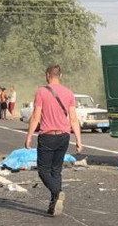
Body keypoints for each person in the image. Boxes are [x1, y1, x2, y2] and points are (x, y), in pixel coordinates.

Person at [25, 64, 82, 216]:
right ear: (60, 75)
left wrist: (29, 136)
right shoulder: (69, 93)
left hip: (47, 136)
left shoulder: (42, 92)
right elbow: (74, 119)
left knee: (43, 170)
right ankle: (53, 204)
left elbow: (36, 117)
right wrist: (78, 140)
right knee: (56, 170)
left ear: (47, 75)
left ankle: (57, 192)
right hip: (64, 136)